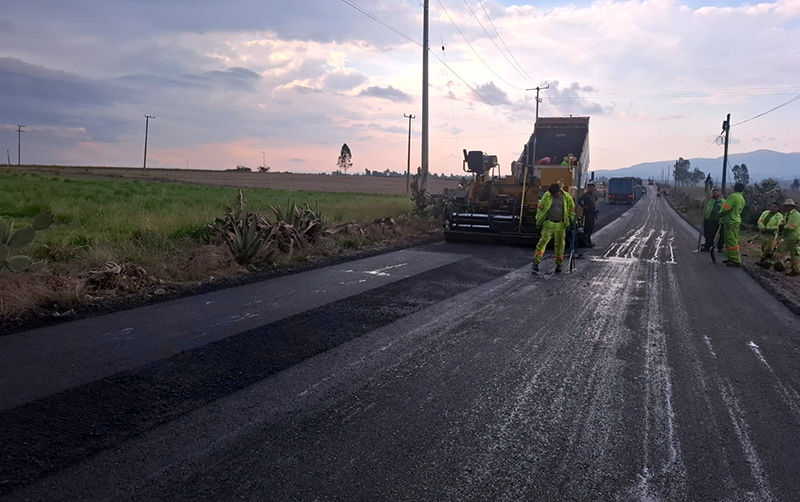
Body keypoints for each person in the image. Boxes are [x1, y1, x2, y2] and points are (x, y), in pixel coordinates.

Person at [532, 182, 575, 274]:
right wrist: (538, 221)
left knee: (560, 246)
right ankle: (535, 263)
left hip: (561, 225)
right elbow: (540, 208)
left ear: (559, 191)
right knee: (542, 243)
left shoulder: (567, 197)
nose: (553, 196)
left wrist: (573, 221)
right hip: (548, 224)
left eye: (554, 194)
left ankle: (559, 264)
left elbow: (571, 210)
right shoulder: (547, 195)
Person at [719, 182, 746, 267]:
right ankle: (731, 258)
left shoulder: (733, 196)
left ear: (734, 188)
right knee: (730, 239)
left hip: (731, 220)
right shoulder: (741, 198)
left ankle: (735, 259)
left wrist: (720, 213)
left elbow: (726, 208)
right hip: (736, 220)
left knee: (731, 240)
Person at [756, 201, 784, 267]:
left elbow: (779, 225)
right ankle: (765, 259)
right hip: (764, 233)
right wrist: (762, 227)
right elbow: (760, 220)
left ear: (778, 208)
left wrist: (770, 228)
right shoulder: (765, 213)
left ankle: (763, 259)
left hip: (772, 235)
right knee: (763, 246)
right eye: (771, 206)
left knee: (769, 248)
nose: (772, 208)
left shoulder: (779, 216)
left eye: (775, 207)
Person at [780, 198, 800, 276]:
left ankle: (796, 270)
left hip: (794, 237)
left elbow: (791, 226)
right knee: (792, 254)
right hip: (789, 237)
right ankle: (794, 269)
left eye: (787, 206)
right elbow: (783, 222)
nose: (786, 207)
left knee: (794, 254)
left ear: (791, 207)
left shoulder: (795, 215)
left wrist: (783, 227)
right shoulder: (788, 214)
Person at [701, 184, 723, 252]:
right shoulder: (710, 199)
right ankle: (708, 243)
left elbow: (725, 210)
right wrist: (707, 183)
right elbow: (707, 191)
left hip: (715, 220)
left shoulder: (722, 201)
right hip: (707, 219)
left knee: (711, 234)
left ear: (719, 193)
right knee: (706, 233)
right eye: (713, 193)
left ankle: (707, 247)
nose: (714, 194)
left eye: (716, 193)